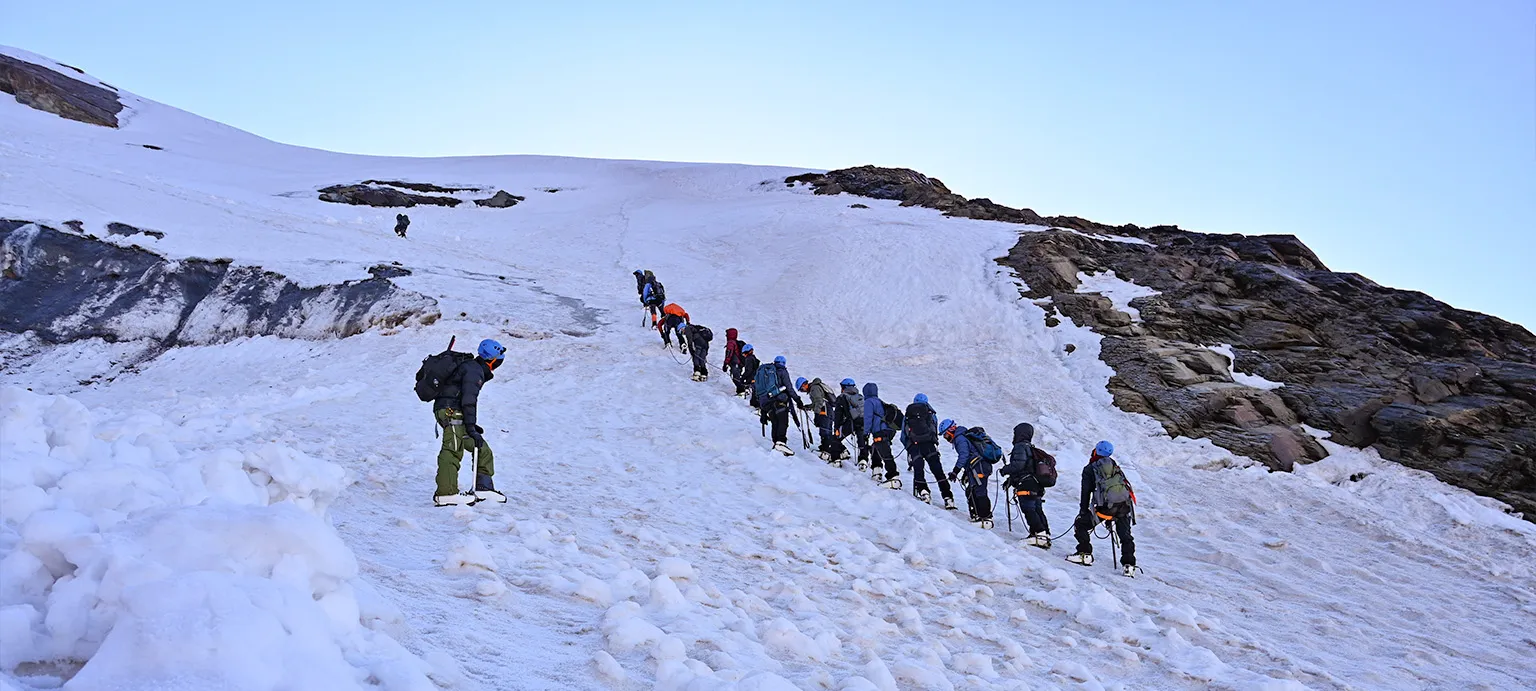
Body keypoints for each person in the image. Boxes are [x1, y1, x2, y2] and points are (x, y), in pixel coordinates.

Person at [432, 339, 508, 506]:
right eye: (500, 358)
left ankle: (483, 488)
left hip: (454, 410)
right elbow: (468, 400)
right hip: (450, 411)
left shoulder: (474, 368)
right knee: (453, 448)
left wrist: (471, 426)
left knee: (481, 447)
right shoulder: (474, 371)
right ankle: (446, 493)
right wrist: (471, 426)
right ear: (493, 360)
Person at [1067, 441, 1138, 576]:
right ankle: (1129, 565)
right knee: (1125, 536)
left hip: (1105, 509)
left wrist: (1083, 511)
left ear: (1096, 451)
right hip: (1124, 506)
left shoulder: (1090, 468)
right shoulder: (1114, 465)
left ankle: (1084, 554)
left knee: (1080, 525)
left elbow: (1086, 492)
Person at [999, 423, 1055, 547]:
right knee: (1037, 509)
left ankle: (1039, 535)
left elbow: (1018, 466)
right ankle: (1044, 533)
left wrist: (1005, 470)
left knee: (1028, 509)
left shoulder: (1020, 447)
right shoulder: (1030, 447)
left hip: (1026, 484)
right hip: (1035, 483)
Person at [902, 394, 954, 509]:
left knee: (919, 470)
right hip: (929, 445)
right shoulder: (931, 414)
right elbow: (933, 430)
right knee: (938, 471)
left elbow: (903, 434)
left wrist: (909, 447)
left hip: (914, 446)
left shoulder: (908, 414)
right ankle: (948, 498)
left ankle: (924, 492)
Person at [942, 419, 994, 528]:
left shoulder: (960, 439)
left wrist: (955, 471)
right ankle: (978, 515)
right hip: (976, 467)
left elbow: (964, 455)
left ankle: (986, 518)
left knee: (979, 491)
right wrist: (966, 472)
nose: (946, 439)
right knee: (972, 490)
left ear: (951, 430)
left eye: (946, 435)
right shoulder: (962, 436)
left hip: (978, 467)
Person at [754, 355, 802, 456]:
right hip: (779, 401)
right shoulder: (782, 371)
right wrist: (797, 400)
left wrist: (763, 411)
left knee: (775, 423)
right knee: (783, 422)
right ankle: (780, 442)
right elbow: (789, 388)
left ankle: (776, 443)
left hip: (766, 404)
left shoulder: (767, 372)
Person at [862, 383, 900, 488]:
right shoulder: (879, 401)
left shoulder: (869, 402)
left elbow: (868, 418)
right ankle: (877, 470)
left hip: (880, 430)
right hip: (889, 430)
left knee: (885, 452)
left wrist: (865, 433)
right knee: (876, 447)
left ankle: (893, 477)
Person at [797, 377, 840, 464]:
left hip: (825, 411)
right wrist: (807, 407)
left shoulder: (814, 388)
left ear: (804, 384)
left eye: (802, 389)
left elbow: (819, 401)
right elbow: (816, 403)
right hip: (825, 411)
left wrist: (816, 414)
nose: (803, 391)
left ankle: (828, 450)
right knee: (824, 430)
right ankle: (825, 447)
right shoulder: (814, 388)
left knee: (826, 431)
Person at [832, 379, 867, 469]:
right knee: (861, 441)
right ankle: (863, 460)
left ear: (844, 387)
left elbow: (838, 414)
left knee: (836, 438)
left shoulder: (842, 397)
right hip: (862, 422)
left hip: (850, 422)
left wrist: (836, 428)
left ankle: (836, 459)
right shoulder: (860, 396)